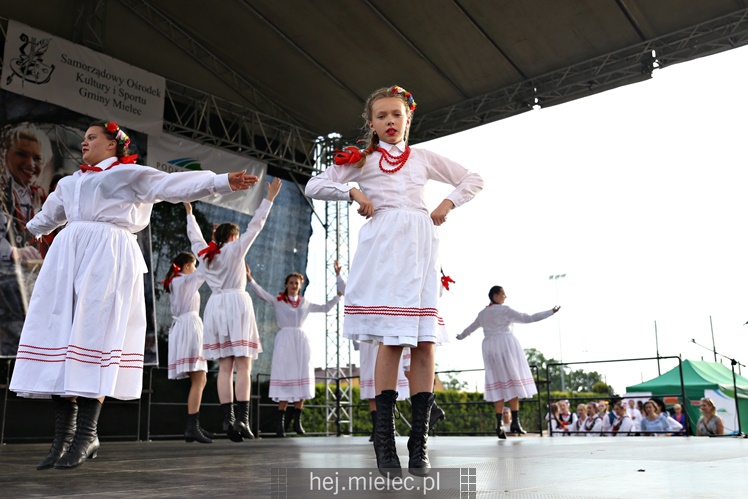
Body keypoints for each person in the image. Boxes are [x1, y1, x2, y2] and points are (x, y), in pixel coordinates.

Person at [9, 120, 258, 469]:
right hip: (67, 258)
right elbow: (50, 216)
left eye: (92, 137)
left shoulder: (127, 174)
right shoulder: (69, 182)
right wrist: (33, 229)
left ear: (112, 144)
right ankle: (62, 438)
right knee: (60, 337)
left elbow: (171, 184)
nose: (85, 142)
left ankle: (87, 434)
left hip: (107, 255)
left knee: (95, 336)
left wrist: (220, 181)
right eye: (83, 138)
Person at [305, 85, 483, 477]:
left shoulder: (421, 157)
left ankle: (418, 446)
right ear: (371, 123)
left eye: (396, 115)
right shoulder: (362, 159)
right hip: (383, 246)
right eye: (382, 115)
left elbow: (472, 178)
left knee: (423, 340)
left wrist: (446, 203)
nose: (389, 121)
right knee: (391, 337)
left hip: (420, 246)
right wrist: (351, 189)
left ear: (407, 119)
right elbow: (314, 185)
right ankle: (385, 442)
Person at [186, 177, 282, 443]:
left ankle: (227, 419)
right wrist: (269, 198)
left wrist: (190, 215)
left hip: (216, 306)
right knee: (244, 365)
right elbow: (256, 225)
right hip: (237, 304)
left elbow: (194, 237)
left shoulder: (204, 254)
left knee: (225, 367)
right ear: (233, 236)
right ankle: (243, 418)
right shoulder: (236, 248)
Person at [246, 261, 344, 437]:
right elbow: (262, 295)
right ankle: (280, 425)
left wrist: (338, 296)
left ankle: (297, 422)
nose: (293, 286)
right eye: (291, 283)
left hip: (301, 341)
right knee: (285, 377)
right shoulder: (278, 301)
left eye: (296, 283)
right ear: (286, 285)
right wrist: (250, 280)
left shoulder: (304, 303)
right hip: (285, 341)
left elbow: (325, 308)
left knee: (301, 377)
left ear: (300, 285)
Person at [456, 285, 559, 438]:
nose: (505, 296)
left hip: (489, 347)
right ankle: (515, 422)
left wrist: (460, 336)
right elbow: (527, 318)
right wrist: (550, 312)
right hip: (505, 344)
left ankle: (500, 425)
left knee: (497, 382)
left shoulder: (483, 313)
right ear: (496, 295)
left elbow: (471, 328)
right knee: (512, 380)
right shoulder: (504, 310)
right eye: (503, 294)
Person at [0, 123, 52, 357]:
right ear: (5, 154)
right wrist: (13, 252)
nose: (31, 165)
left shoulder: (39, 196)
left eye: (37, 159)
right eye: (22, 154)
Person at [162, 251, 212, 444]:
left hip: (186, 327)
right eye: (193, 264)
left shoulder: (179, 280)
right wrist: (216, 244)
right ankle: (192, 427)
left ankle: (194, 424)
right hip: (189, 327)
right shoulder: (182, 280)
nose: (195, 267)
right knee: (199, 378)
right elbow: (204, 272)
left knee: (200, 378)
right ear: (186, 265)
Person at [358, 341, 411, 442]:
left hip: (385, 343)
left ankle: (385, 430)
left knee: (385, 385)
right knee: (371, 389)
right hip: (370, 345)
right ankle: (379, 429)